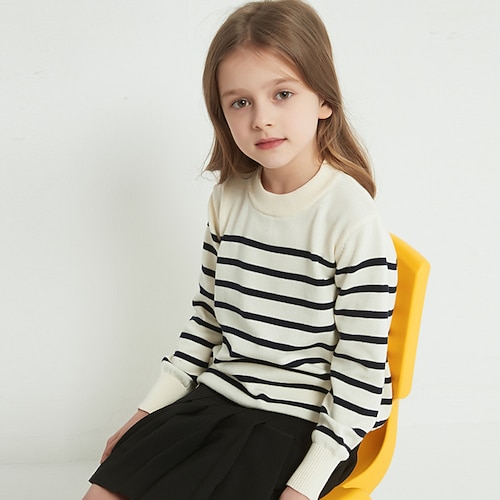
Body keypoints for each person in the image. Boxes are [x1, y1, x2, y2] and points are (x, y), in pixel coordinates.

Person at [84, 1, 397, 499]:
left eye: (283, 94)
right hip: (220, 396)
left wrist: (306, 484)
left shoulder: (351, 218)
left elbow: (361, 369)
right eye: (240, 102)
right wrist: (146, 413)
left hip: (305, 422)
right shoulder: (227, 199)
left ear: (324, 100)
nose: (262, 119)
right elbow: (208, 318)